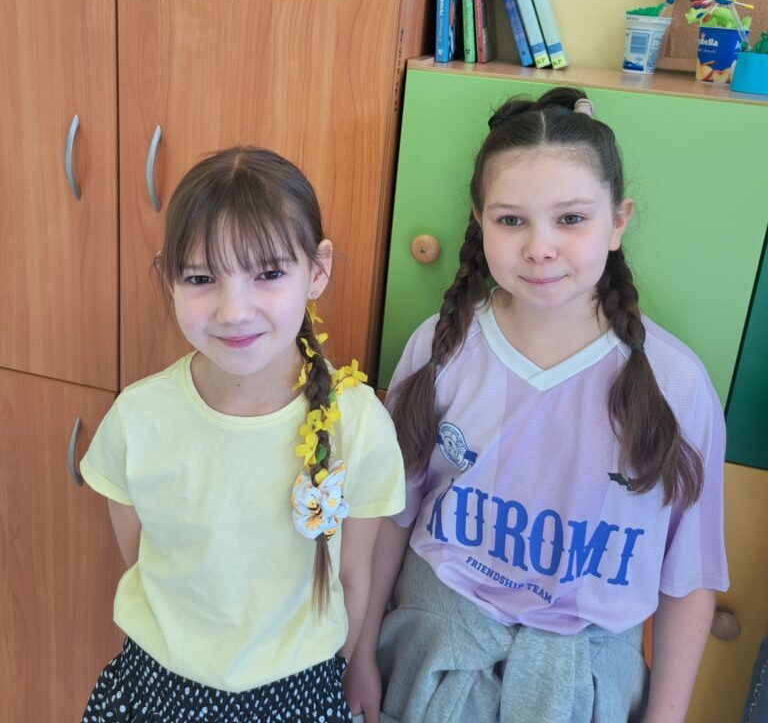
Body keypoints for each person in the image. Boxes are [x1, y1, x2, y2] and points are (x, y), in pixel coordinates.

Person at [345, 87, 728, 723]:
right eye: (511, 220)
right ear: (479, 221)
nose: (540, 247)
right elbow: (390, 517)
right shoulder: (441, 348)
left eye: (570, 219)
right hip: (430, 661)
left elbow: (687, 579)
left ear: (619, 221)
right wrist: (360, 652)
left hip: (587, 687)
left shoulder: (676, 383)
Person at [80, 147, 405, 723]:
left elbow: (355, 578)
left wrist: (355, 665)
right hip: (155, 690)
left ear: (317, 271)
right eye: (201, 277)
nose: (234, 311)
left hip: (299, 696)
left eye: (269, 274)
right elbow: (142, 562)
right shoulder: (137, 418)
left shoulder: (359, 424)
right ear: (169, 277)